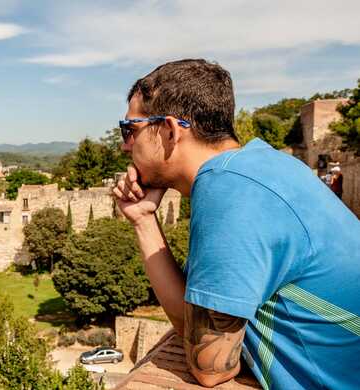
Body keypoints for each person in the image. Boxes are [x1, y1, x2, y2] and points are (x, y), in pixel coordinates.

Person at [113, 59, 360, 389]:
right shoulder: (262, 165)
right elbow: (194, 324)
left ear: (170, 131)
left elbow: (211, 368)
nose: (125, 145)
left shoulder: (229, 192)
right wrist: (143, 219)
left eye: (130, 130)